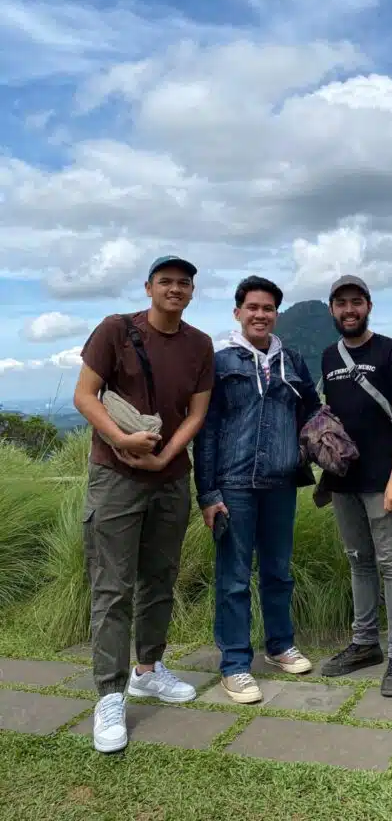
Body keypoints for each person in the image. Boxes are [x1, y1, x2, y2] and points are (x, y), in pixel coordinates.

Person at [74, 255, 215, 753]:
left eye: (183, 283)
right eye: (166, 282)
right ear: (149, 287)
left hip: (171, 478)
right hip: (115, 477)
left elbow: (196, 414)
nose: (175, 289)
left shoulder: (200, 344)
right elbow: (85, 395)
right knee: (112, 587)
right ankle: (109, 696)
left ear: (193, 292)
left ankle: (148, 670)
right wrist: (122, 441)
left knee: (160, 579)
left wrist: (164, 459)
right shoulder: (115, 330)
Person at [193, 276, 321, 704]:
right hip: (233, 485)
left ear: (276, 314)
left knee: (278, 571)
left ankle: (280, 645)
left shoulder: (294, 362)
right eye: (252, 307)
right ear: (238, 313)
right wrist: (207, 493)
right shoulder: (221, 362)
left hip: (280, 484)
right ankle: (234, 664)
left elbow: (311, 415)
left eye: (268, 308)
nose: (260, 314)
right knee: (233, 578)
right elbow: (206, 430)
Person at [319, 276, 392, 697]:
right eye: (341, 303)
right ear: (332, 310)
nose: (349, 309)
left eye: (355, 302)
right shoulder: (329, 356)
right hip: (344, 479)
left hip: (384, 478)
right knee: (359, 559)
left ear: (369, 306)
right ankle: (365, 644)